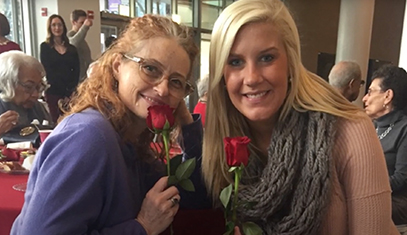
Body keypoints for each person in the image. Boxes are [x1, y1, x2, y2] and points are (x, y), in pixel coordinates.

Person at [202, 0, 399, 234]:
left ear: (291, 62)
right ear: (221, 75)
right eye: (235, 62)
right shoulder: (220, 143)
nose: (252, 78)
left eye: (267, 58)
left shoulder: (351, 130)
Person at [11, 14, 209, 235]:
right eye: (150, 69)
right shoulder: (89, 137)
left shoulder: (130, 138)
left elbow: (194, 196)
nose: (163, 90)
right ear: (118, 65)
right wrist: (142, 226)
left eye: (175, 82)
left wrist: (187, 124)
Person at [362, 64, 407, 228]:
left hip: (396, 199)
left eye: (370, 92)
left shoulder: (404, 129)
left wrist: (365, 188)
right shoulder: (370, 126)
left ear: (388, 96)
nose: (364, 99)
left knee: (356, 209)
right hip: (370, 194)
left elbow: (401, 178)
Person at [0, 51, 52, 137]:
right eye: (28, 87)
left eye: (39, 87)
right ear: (8, 83)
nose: (36, 94)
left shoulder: (37, 108)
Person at [40, 14, 80, 124]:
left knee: (70, 121)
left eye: (59, 25)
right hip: (53, 91)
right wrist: (62, 90)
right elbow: (48, 70)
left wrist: (69, 92)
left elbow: (76, 71)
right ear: (50, 27)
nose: (57, 28)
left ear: (63, 27)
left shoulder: (72, 49)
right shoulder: (45, 47)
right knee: (56, 122)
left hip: (70, 93)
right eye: (54, 25)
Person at [68, 9, 93, 82]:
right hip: (78, 79)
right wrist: (85, 26)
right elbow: (73, 43)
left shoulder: (82, 40)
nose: (83, 25)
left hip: (85, 78)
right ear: (73, 22)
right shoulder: (70, 36)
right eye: (81, 23)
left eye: (84, 23)